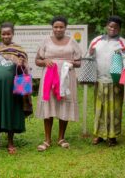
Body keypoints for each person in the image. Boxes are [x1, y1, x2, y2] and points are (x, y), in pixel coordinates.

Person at [0, 22, 30, 154]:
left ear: (13, 34)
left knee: (10, 112)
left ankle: (10, 142)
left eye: (8, 33)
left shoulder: (19, 50)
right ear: (0, 34)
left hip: (12, 89)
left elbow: (25, 69)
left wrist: (21, 64)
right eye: (3, 34)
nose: (6, 36)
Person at [35, 16, 82, 151]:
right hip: (49, 77)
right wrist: (45, 61)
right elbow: (37, 60)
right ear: (52, 28)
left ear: (65, 28)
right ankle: (47, 139)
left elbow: (79, 62)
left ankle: (61, 138)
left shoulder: (72, 42)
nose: (58, 29)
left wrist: (72, 63)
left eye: (61, 27)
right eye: (56, 27)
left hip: (66, 78)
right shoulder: (46, 41)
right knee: (49, 104)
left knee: (64, 104)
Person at [90, 15, 125, 146]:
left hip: (115, 82)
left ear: (119, 29)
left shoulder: (123, 42)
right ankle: (99, 134)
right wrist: (89, 52)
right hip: (99, 80)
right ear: (106, 26)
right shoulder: (96, 40)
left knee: (115, 109)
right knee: (99, 108)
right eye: (111, 26)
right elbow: (89, 57)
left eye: (116, 27)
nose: (113, 29)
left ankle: (112, 136)